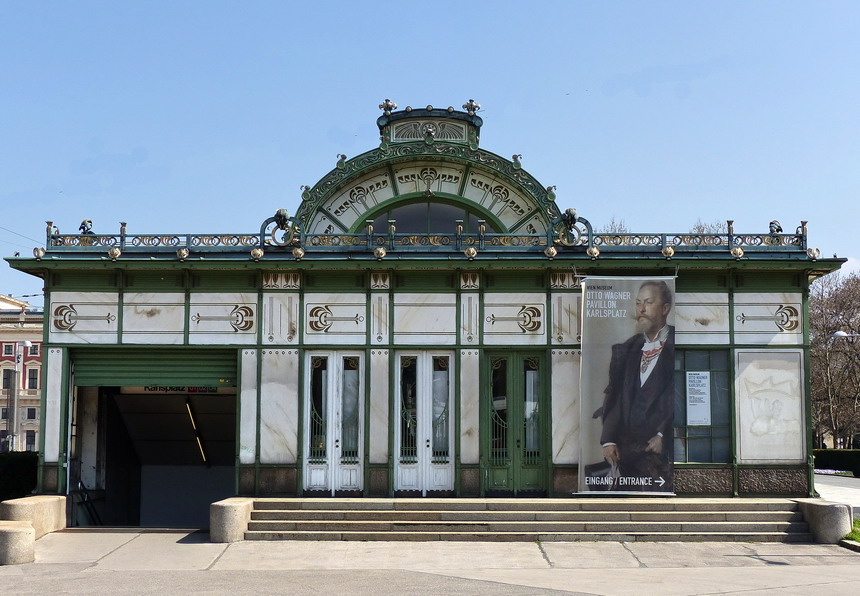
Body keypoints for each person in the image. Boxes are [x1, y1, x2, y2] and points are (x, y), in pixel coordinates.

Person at [599, 280, 674, 489]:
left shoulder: (679, 343)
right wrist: (608, 440)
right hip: (626, 452)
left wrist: (662, 435)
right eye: (638, 303)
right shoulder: (627, 348)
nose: (641, 309)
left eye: (648, 303)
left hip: (659, 453)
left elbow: (681, 395)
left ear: (665, 309)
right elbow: (616, 397)